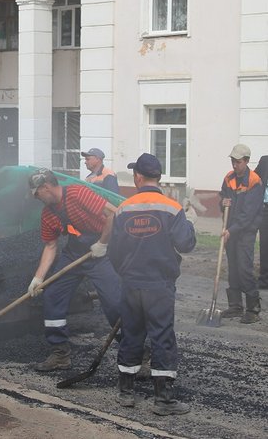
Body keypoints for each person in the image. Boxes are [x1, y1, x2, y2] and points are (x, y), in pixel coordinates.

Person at [109, 153, 195, 415]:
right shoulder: (172, 208)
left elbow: (114, 250)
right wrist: (188, 221)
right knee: (162, 336)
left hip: (131, 283)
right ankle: (164, 400)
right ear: (158, 177)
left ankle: (126, 394)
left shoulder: (124, 208)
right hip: (159, 285)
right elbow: (186, 244)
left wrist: (125, 272)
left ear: (138, 177)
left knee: (132, 335)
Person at [27, 168, 121, 371]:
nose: (36, 198)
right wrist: (38, 278)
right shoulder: (48, 214)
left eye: (37, 193)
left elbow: (113, 214)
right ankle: (60, 353)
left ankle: (139, 352)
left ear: (46, 187)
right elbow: (51, 246)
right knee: (52, 294)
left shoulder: (78, 193)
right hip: (75, 253)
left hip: (102, 252)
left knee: (114, 302)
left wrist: (102, 244)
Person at [219, 144, 262, 323]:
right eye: (232, 161)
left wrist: (231, 230)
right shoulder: (229, 178)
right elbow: (221, 197)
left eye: (237, 162)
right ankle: (235, 306)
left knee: (244, 268)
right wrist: (223, 202)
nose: (234, 165)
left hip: (245, 232)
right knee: (233, 268)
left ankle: (253, 309)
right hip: (230, 229)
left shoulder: (254, 181)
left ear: (246, 161)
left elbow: (247, 215)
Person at [253, 155, 268, 290]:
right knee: (265, 245)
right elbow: (252, 177)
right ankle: (264, 279)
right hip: (265, 209)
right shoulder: (265, 161)